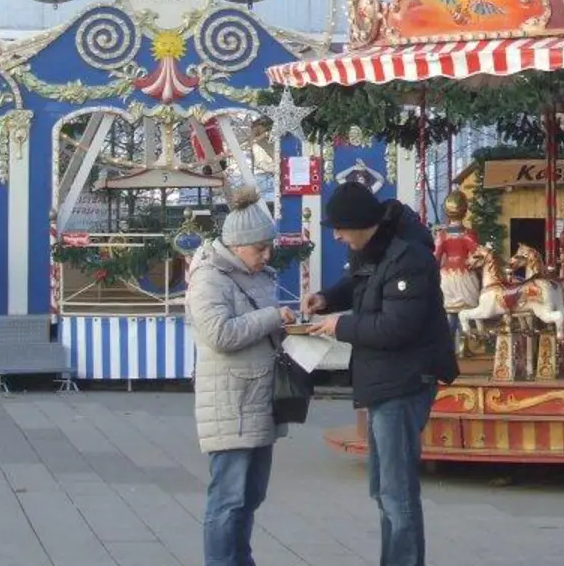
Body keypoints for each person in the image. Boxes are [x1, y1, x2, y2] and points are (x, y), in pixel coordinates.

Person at [304, 182, 457, 566]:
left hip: (404, 382)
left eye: (339, 228)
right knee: (383, 488)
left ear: (360, 223)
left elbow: (396, 327)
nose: (336, 236)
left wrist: (339, 326)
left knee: (396, 492)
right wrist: (327, 299)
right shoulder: (375, 248)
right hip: (382, 382)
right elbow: (360, 286)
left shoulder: (409, 257)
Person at [184, 188, 296, 566]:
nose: (267, 256)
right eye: (260, 249)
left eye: (268, 248)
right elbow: (219, 334)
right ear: (237, 245)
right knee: (228, 499)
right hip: (229, 401)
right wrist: (273, 317)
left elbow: (260, 327)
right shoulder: (208, 277)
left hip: (258, 397)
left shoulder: (259, 274)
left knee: (250, 497)